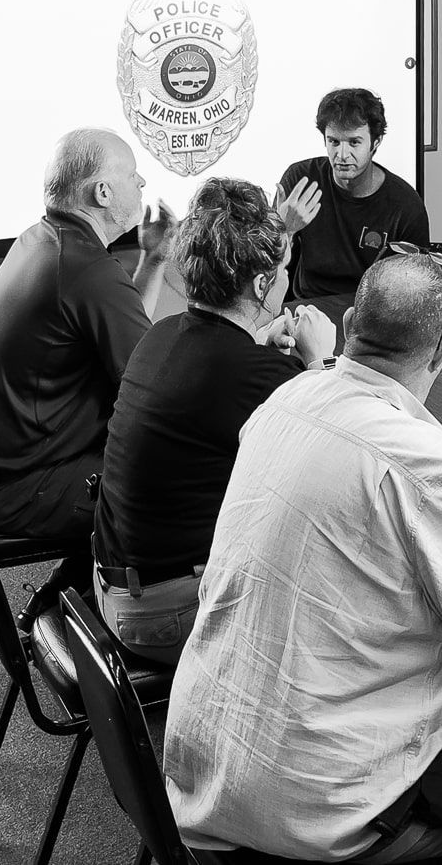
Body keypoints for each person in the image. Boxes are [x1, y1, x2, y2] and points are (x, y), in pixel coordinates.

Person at [163, 253, 442, 864]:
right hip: (322, 811)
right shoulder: (424, 462)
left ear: (348, 327)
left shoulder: (280, 405)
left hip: (210, 775)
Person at [91, 177, 337, 665]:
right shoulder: (253, 374)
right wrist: (322, 363)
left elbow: (221, 376)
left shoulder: (161, 335)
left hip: (112, 586)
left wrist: (262, 346)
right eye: (284, 271)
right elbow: (341, 450)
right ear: (265, 284)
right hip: (166, 614)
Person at [0, 127, 175, 552]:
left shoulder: (44, 240)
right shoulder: (87, 269)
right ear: (103, 193)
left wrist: (155, 257)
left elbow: (129, 339)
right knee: (187, 488)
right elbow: (151, 384)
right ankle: (94, 609)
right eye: (133, 175)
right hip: (22, 491)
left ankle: (65, 598)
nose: (142, 183)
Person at [276, 87, 430, 297]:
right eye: (334, 142)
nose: (342, 154)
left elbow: (417, 287)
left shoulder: (405, 205)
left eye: (354, 142)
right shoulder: (301, 180)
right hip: (305, 310)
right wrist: (285, 231)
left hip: (371, 314)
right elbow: (261, 267)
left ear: (375, 143)